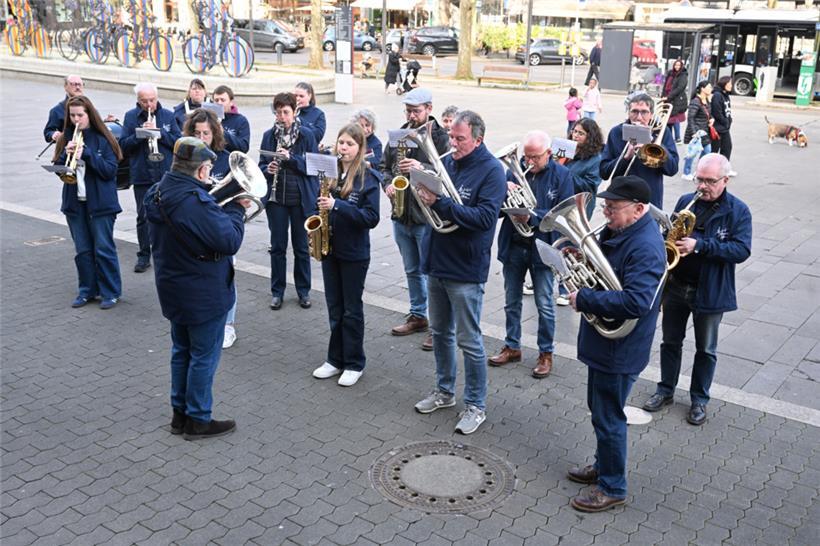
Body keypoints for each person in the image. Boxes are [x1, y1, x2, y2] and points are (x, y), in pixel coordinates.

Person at [565, 175, 667, 512]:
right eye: (605, 206)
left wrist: (585, 298)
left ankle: (612, 487)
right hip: (605, 343)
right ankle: (602, 465)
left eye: (613, 207)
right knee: (600, 410)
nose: (606, 212)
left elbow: (637, 302)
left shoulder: (645, 247)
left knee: (608, 416)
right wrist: (580, 259)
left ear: (638, 209)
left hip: (619, 348)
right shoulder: (622, 230)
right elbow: (606, 273)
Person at [145, 137, 249, 441]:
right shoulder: (195, 203)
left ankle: (179, 415)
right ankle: (199, 419)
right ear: (201, 170)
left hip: (172, 287)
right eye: (208, 170)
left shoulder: (156, 192)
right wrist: (237, 210)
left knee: (181, 351)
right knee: (204, 356)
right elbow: (230, 241)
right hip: (203, 292)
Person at [413, 110, 507, 435]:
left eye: (460, 138)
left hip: (465, 268)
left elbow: (483, 218)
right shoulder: (448, 163)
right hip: (437, 260)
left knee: (470, 341)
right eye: (451, 137)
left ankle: (476, 405)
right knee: (440, 333)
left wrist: (439, 203)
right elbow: (438, 207)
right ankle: (444, 392)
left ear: (478, 139)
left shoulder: (492, 171)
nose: (452, 143)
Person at [642, 154, 751, 426]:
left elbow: (741, 250)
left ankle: (699, 400)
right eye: (699, 179)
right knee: (670, 342)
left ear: (725, 180)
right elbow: (670, 234)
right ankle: (665, 390)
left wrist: (699, 245)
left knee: (706, 349)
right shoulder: (685, 201)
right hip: (677, 285)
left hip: (710, 290)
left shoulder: (738, 211)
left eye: (710, 181)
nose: (702, 186)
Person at [488, 131, 573, 378]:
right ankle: (512, 346)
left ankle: (546, 353)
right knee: (511, 300)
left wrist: (532, 216)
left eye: (535, 157)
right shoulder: (514, 171)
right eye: (526, 157)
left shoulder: (562, 175)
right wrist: (503, 192)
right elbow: (497, 210)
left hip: (543, 248)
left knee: (544, 304)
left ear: (549, 153)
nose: (529, 162)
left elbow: (562, 215)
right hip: (514, 245)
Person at [311, 124, 381, 387]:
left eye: (350, 144)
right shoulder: (330, 172)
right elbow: (320, 205)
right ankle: (335, 359)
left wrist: (336, 205)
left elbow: (371, 218)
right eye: (341, 142)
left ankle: (354, 363)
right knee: (335, 308)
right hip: (330, 249)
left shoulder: (367, 177)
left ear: (360, 148)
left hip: (354, 253)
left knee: (351, 310)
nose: (344, 148)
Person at [380, 88, 449, 351]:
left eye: (416, 111)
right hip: (402, 213)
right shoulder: (399, 134)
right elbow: (385, 167)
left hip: (426, 216)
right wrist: (388, 183)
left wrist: (421, 168)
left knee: (431, 273)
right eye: (408, 111)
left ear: (429, 108)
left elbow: (446, 173)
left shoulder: (441, 138)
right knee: (411, 270)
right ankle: (418, 315)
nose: (410, 116)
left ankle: (437, 326)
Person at [53, 95, 123, 310]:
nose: (76, 120)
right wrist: (64, 157)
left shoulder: (104, 138)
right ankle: (87, 290)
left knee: (103, 249)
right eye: (72, 116)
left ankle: (110, 292)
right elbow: (59, 169)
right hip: (75, 203)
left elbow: (109, 171)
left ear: (89, 115)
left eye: (80, 115)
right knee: (82, 250)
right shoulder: (66, 137)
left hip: (101, 204)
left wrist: (88, 154)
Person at [183, 108, 238, 348]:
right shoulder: (187, 158)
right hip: (196, 225)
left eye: (206, 133)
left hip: (220, 224)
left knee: (227, 277)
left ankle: (228, 325)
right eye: (197, 133)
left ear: (214, 133)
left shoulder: (226, 158)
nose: (202, 138)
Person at [259, 92, 319, 311]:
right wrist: (268, 168)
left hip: (300, 199)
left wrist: (291, 159)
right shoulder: (269, 136)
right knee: (278, 247)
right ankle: (277, 292)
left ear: (295, 112)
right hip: (277, 200)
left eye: (286, 112)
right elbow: (260, 164)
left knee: (301, 248)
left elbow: (313, 167)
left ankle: (303, 291)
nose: (282, 117)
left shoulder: (307, 135)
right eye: (278, 113)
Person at [120, 82, 181, 273]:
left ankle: (169, 253)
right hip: (142, 174)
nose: (149, 105)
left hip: (165, 174)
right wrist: (140, 135)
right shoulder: (131, 116)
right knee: (143, 216)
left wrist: (160, 133)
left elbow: (178, 143)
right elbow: (123, 146)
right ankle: (144, 255)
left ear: (157, 98)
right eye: (144, 101)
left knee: (169, 215)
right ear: (138, 100)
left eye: (152, 100)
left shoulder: (168, 115)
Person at [600, 92, 678, 209]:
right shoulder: (616, 132)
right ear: (628, 113)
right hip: (621, 199)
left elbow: (672, 169)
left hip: (649, 200)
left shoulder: (661, 132)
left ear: (651, 114)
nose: (639, 117)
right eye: (634, 111)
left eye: (644, 112)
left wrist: (654, 144)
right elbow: (604, 172)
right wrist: (625, 157)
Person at [566, 118, 605, 219]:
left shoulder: (597, 159)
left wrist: (564, 173)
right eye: (574, 131)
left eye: (581, 133)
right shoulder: (567, 148)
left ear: (590, 137)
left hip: (579, 207)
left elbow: (589, 186)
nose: (575, 135)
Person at [682, 81, 714, 181]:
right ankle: (686, 173)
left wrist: (711, 119)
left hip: (705, 131)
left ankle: (699, 171)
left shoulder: (707, 100)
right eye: (709, 87)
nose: (711, 89)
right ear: (702, 89)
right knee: (692, 153)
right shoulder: (696, 101)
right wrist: (694, 132)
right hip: (696, 132)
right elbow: (690, 118)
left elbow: (709, 114)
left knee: (707, 151)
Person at [44, 75, 84, 144]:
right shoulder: (56, 111)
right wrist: (53, 134)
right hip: (67, 148)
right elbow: (48, 132)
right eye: (73, 84)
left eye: (80, 84)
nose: (77, 87)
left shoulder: (90, 108)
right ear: (65, 87)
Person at [212, 85, 249, 154]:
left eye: (223, 100)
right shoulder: (208, 119)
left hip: (230, 158)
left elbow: (244, 147)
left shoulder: (241, 120)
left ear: (231, 102)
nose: (219, 103)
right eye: (216, 100)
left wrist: (223, 133)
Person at [710, 76, 736, 175]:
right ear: (724, 83)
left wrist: (729, 121)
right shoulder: (717, 95)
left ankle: (725, 169)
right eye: (730, 83)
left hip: (725, 128)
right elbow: (717, 112)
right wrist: (725, 122)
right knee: (714, 150)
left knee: (727, 147)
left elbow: (727, 110)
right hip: (718, 128)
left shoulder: (726, 95)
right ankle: (710, 170)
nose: (731, 85)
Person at [661, 59, 688, 143]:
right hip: (667, 98)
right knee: (668, 119)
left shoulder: (683, 75)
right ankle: (669, 137)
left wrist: (669, 97)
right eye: (676, 65)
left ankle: (677, 137)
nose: (677, 67)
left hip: (677, 99)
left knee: (675, 118)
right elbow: (665, 85)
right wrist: (663, 96)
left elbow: (680, 88)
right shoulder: (670, 74)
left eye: (679, 65)